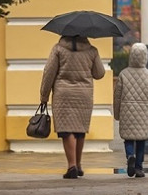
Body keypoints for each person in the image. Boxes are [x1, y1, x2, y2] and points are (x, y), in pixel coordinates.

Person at [40, 35, 106, 179]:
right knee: (79, 129)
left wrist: (44, 96)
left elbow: (48, 73)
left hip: (63, 94)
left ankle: (72, 166)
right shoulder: (92, 51)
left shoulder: (58, 49)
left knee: (66, 129)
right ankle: (78, 164)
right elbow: (99, 73)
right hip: (84, 94)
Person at [113, 43, 148, 178]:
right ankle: (138, 167)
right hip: (144, 114)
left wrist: (117, 114)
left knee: (128, 139)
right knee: (141, 141)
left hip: (127, 112)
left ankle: (129, 156)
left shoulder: (123, 74)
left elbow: (117, 96)